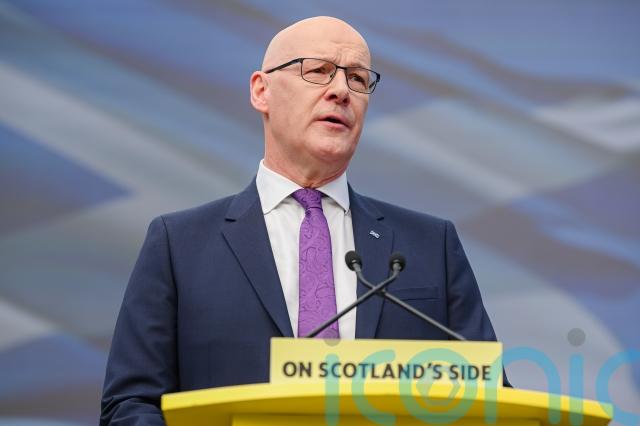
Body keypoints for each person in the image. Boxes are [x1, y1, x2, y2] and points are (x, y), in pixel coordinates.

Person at [100, 16, 504, 425]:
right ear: (262, 91)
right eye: (318, 71)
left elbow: (493, 402)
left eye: (357, 79)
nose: (341, 91)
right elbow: (130, 405)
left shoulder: (431, 246)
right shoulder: (179, 246)